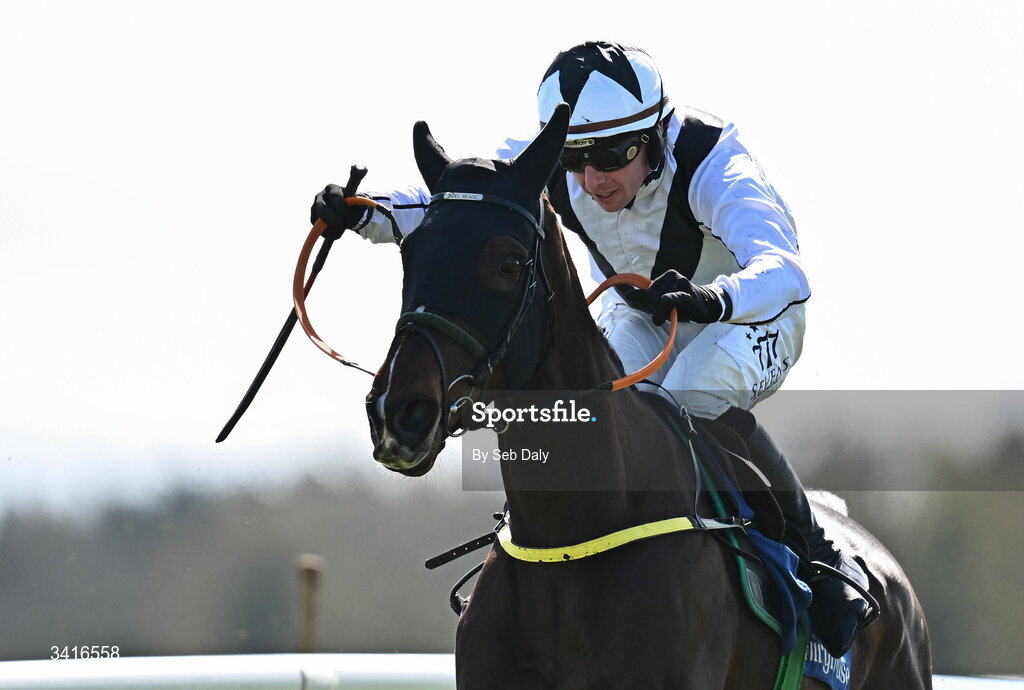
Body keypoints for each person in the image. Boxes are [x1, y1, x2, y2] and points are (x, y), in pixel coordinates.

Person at [311, 40, 871, 657]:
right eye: (577, 157)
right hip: (649, 314)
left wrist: (712, 299)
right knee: (586, 410)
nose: (592, 178)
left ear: (655, 134)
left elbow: (785, 270)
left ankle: (816, 546)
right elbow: (461, 200)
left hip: (750, 317)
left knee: (686, 397)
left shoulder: (714, 162)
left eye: (611, 154)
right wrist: (364, 213)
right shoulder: (560, 166)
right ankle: (529, 550)